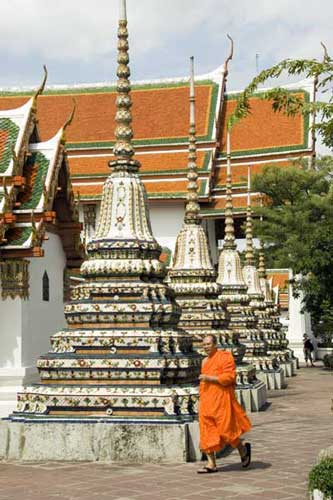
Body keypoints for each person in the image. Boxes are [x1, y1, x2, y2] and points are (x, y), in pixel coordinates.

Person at [197, 334, 252, 473]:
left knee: (227, 431)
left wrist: (209, 378)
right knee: (206, 430)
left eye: (208, 344)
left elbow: (229, 377)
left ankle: (243, 450)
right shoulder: (204, 361)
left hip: (221, 400)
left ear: (215, 344)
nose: (206, 347)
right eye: (204, 344)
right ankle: (211, 464)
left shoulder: (225, 357)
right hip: (207, 400)